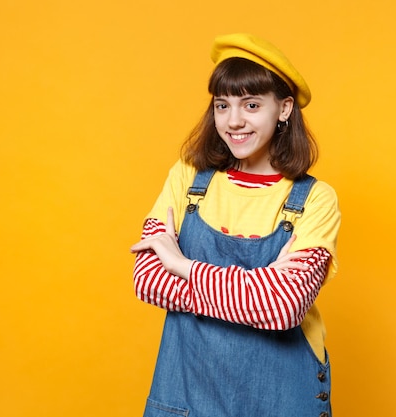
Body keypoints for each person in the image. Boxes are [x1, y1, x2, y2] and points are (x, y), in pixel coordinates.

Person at [130, 33, 341, 417]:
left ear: (284, 109)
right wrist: (258, 287)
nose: (234, 121)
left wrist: (183, 266)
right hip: (188, 398)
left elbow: (283, 308)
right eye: (222, 105)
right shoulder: (187, 178)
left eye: (252, 104)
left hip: (281, 400)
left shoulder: (316, 199)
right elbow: (147, 279)